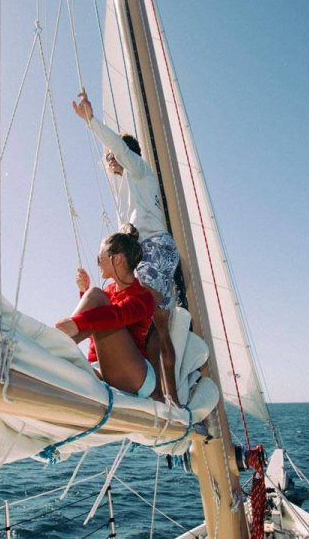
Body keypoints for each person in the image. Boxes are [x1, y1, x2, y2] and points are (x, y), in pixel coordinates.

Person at [71, 90, 181, 406]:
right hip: (141, 251)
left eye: (113, 154)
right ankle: (144, 381)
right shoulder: (125, 194)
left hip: (157, 247)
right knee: (123, 303)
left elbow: (119, 147)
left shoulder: (141, 172)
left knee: (158, 324)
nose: (109, 159)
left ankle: (168, 395)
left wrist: (90, 121)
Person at [55, 225, 156, 398]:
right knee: (63, 374)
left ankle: (54, 346)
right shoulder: (107, 293)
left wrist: (76, 323)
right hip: (103, 368)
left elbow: (115, 316)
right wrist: (83, 291)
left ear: (116, 260)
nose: (98, 262)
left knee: (96, 297)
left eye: (99, 257)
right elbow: (95, 324)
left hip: (136, 376)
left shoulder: (143, 297)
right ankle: (56, 349)